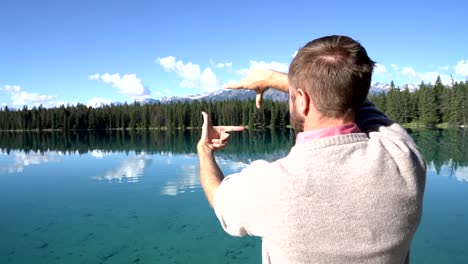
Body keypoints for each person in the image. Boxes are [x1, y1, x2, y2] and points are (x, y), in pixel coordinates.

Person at [197, 35, 426, 264]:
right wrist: (281, 80)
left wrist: (205, 150)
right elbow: (353, 99)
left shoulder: (269, 186)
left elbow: (218, 196)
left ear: (302, 101)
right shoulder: (404, 158)